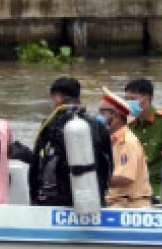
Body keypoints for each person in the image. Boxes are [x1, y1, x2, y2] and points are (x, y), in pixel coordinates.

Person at [28, 76, 113, 207]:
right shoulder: (98, 125)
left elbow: (36, 163)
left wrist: (33, 198)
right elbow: (108, 165)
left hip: (57, 200)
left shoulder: (50, 124)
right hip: (91, 198)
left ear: (57, 97)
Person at [123, 78, 162, 204]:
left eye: (132, 99)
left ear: (147, 98)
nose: (128, 103)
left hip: (160, 187)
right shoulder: (130, 125)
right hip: (135, 186)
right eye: (126, 100)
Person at [97, 90, 152, 208]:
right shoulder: (110, 139)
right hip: (113, 201)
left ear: (116, 116)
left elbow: (125, 179)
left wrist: (96, 181)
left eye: (103, 113)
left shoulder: (127, 142)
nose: (98, 117)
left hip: (129, 205)